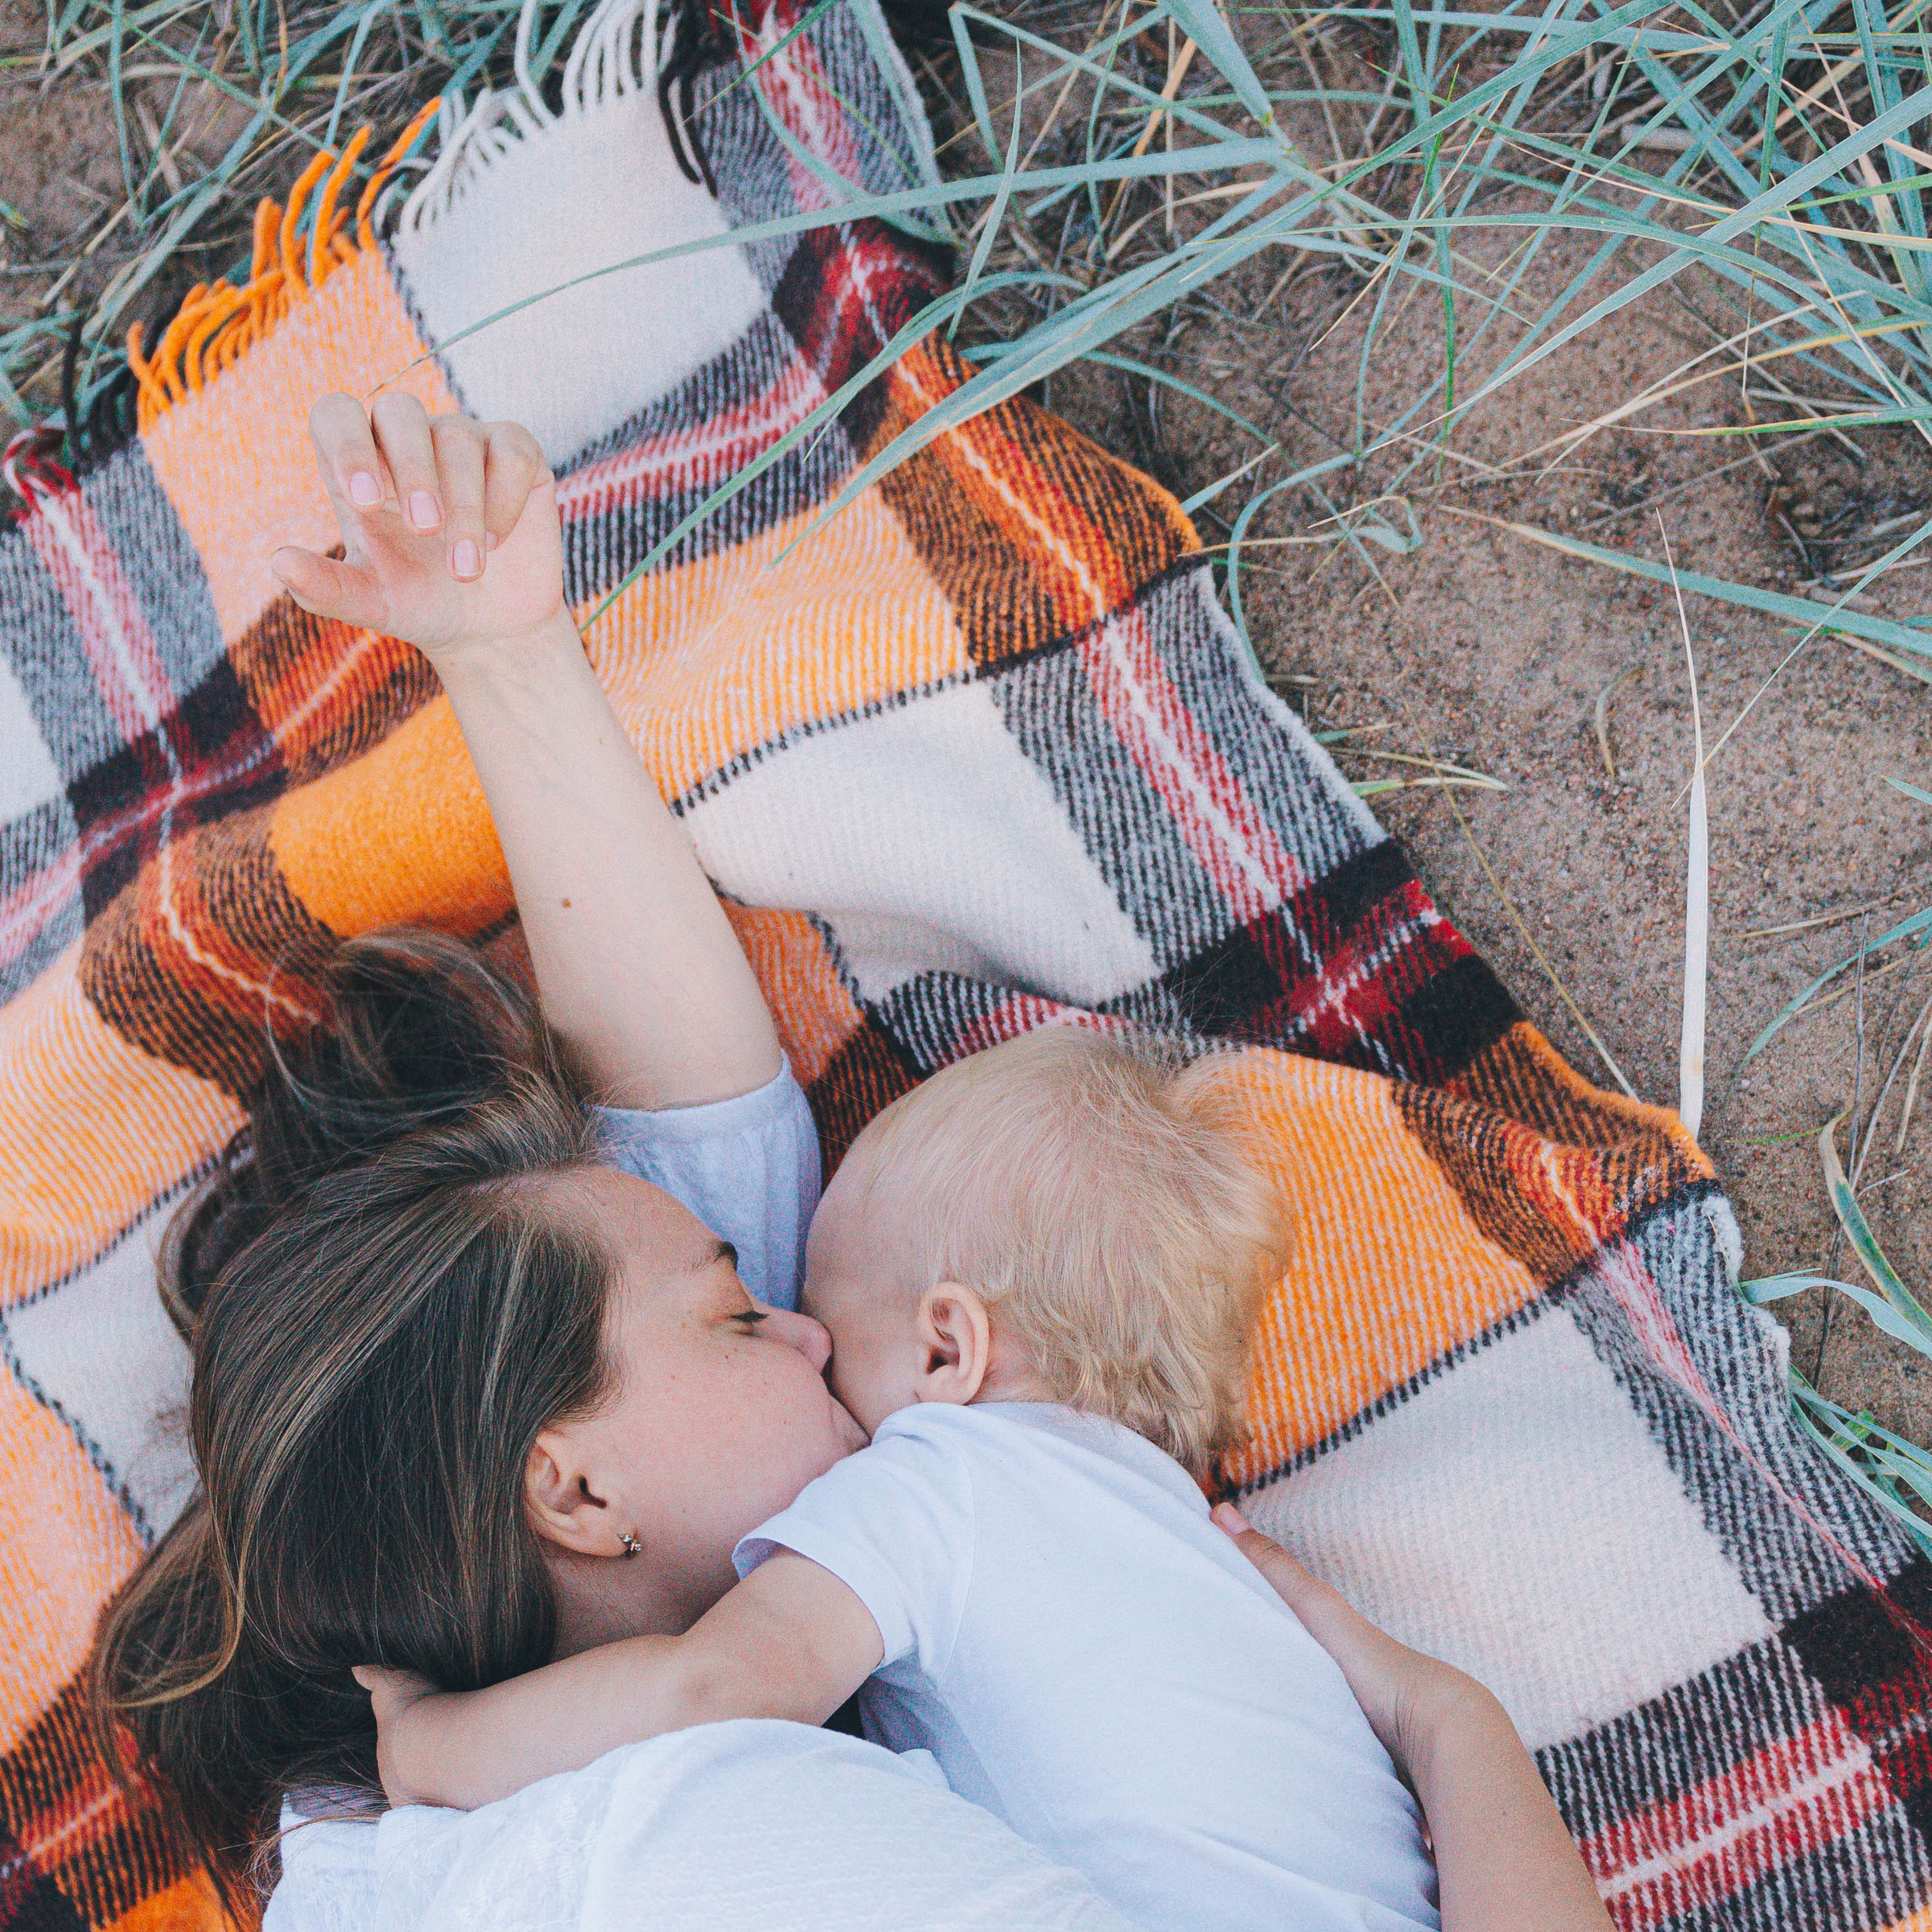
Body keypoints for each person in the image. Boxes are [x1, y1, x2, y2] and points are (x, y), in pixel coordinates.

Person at [91, 395, 1611, 1932]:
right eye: (739, 1314)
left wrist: (504, 650)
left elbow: (691, 1114)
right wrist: (1444, 1723)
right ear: (577, 1488)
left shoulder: (714, 1703)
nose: (809, 1326)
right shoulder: (637, 1823)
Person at [357, 1028, 1440, 1932]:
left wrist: (424, 1744)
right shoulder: (1179, 1536)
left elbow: (711, 1690)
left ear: (945, 1350)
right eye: (753, 1318)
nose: (811, 1343)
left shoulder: (943, 1476)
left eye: (810, 1308)